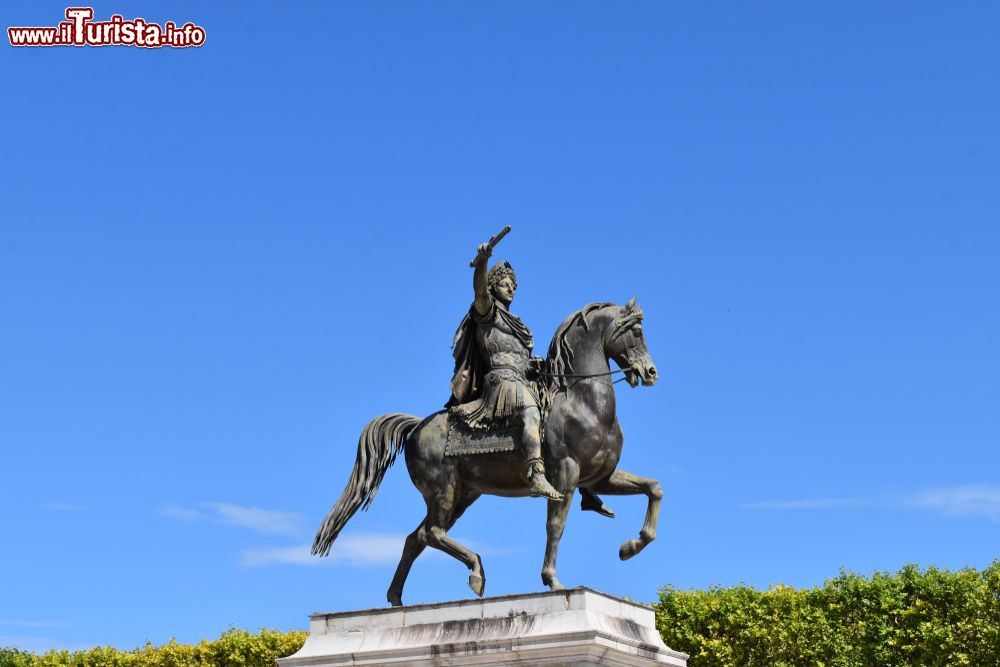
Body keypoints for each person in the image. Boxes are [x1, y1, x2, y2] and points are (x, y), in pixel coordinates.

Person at [447, 237, 563, 501]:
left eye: (513, 286)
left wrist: (534, 367)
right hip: (501, 384)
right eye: (504, 283)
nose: (510, 289)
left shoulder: (517, 324)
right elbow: (478, 292)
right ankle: (535, 473)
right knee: (530, 410)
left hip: (521, 381)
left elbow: (521, 361)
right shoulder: (487, 313)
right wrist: (483, 262)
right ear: (492, 285)